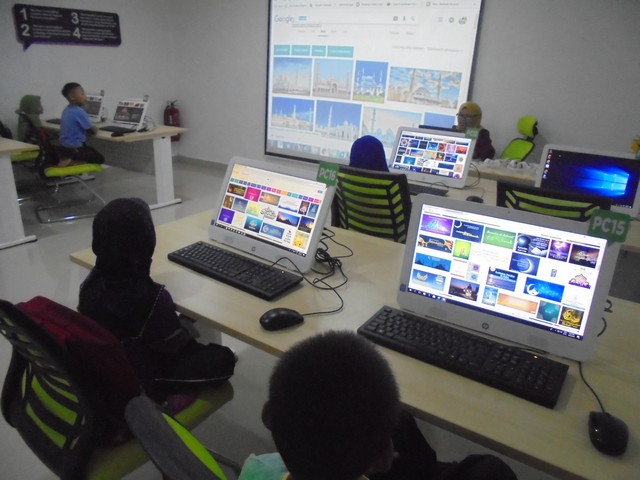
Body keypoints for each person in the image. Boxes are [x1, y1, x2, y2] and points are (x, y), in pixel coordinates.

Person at [239, 331, 517, 480]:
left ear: (268, 416)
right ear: (383, 459)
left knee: (400, 422)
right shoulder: (383, 455)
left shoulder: (255, 469)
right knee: (490, 470)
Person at [78, 197, 236, 398]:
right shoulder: (151, 299)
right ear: (147, 241)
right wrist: (183, 330)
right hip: (146, 377)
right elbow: (174, 347)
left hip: (111, 366)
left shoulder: (90, 284)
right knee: (224, 359)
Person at [59, 82, 105, 166]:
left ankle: (70, 159)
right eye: (82, 94)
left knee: (90, 149)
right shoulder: (79, 111)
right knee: (100, 159)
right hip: (76, 149)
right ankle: (74, 162)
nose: (85, 97)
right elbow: (92, 131)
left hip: (65, 149)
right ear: (72, 96)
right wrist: (96, 128)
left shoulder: (66, 110)